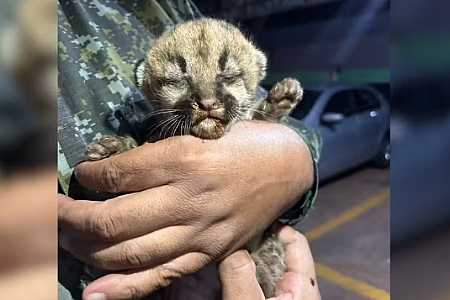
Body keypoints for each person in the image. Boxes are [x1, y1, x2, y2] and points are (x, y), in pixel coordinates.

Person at [57, 1, 322, 299]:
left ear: (257, 72)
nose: (208, 99)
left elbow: (282, 134)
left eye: (229, 77)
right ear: (147, 86)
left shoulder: (168, 5)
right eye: (176, 80)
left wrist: (290, 154)